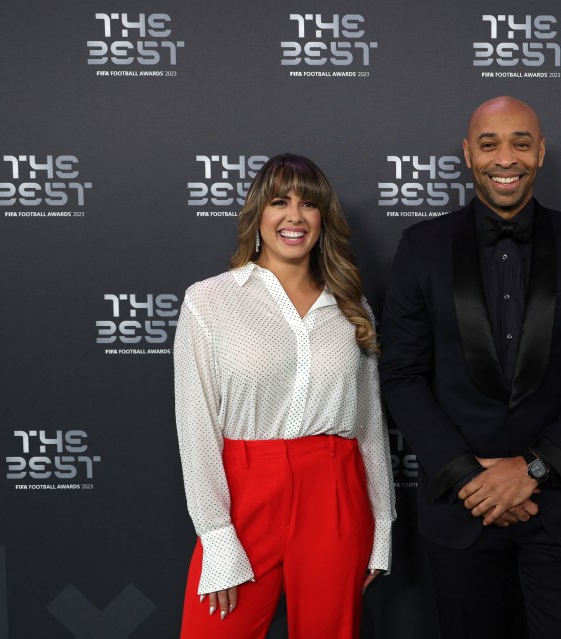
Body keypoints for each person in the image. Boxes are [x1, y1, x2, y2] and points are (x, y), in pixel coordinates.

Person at [378, 96, 561, 639]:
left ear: (540, 152)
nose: (505, 157)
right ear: (469, 155)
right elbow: (401, 376)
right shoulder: (421, 247)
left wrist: (531, 470)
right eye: (489, 143)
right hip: (460, 509)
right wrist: (474, 478)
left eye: (521, 142)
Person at [174, 153, 395, 638]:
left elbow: (370, 427)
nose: (294, 216)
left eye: (308, 205)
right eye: (280, 202)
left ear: (323, 220)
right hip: (246, 494)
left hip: (335, 491)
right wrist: (216, 535)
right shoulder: (209, 300)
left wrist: (382, 525)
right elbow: (196, 427)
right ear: (258, 214)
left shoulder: (352, 308)